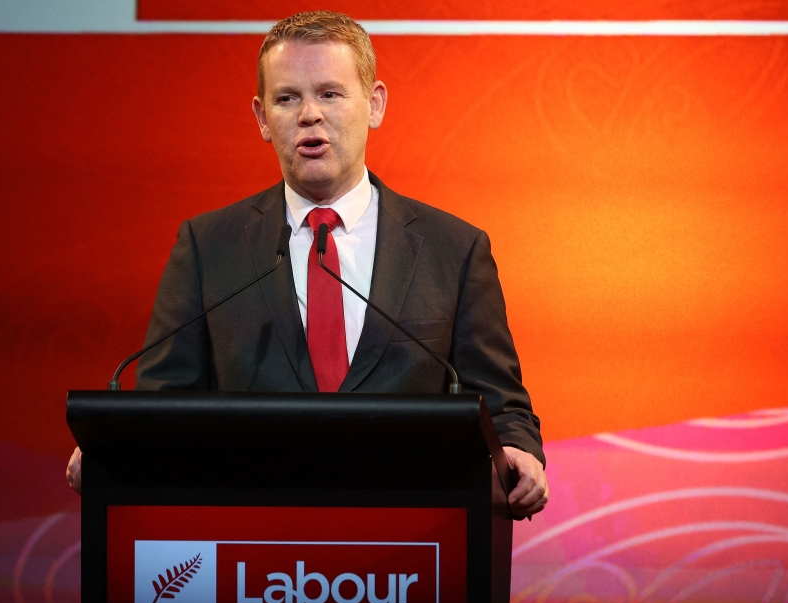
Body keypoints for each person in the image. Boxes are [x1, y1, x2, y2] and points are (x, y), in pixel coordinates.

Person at [66, 11, 549, 517]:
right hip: (252, 545)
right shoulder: (209, 247)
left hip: (411, 543)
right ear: (261, 118)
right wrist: (116, 449)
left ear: (375, 104)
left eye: (330, 93)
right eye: (287, 97)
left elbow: (502, 406)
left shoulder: (454, 249)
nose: (309, 115)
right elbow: (161, 406)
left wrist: (518, 450)